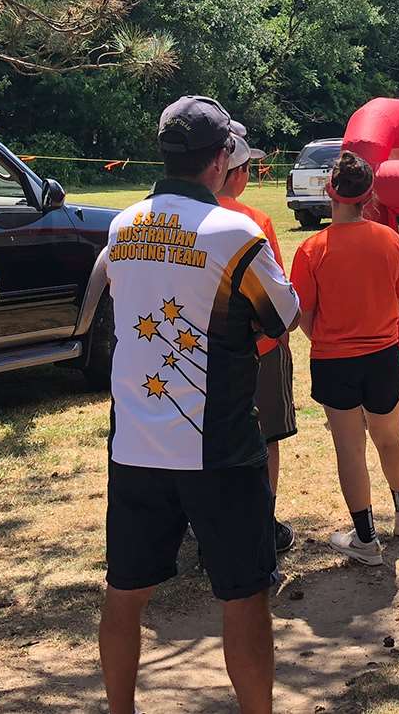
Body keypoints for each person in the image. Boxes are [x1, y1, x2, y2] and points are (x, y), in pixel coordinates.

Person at [97, 95, 300, 714]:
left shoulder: (121, 225)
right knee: (244, 596)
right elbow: (283, 316)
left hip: (134, 441)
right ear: (220, 159)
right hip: (219, 446)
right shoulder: (236, 232)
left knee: (125, 590)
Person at [289, 151, 399, 566]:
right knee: (389, 436)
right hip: (383, 356)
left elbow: (303, 315)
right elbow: (398, 299)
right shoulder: (391, 240)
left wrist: (328, 339)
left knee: (350, 447)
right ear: (369, 195)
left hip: (334, 360)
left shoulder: (312, 249)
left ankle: (365, 539)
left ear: (330, 192)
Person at [216, 131, 298, 555]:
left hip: (204, 355)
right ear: (239, 173)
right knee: (267, 439)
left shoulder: (187, 217)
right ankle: (263, 522)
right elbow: (280, 299)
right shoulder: (255, 221)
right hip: (259, 350)